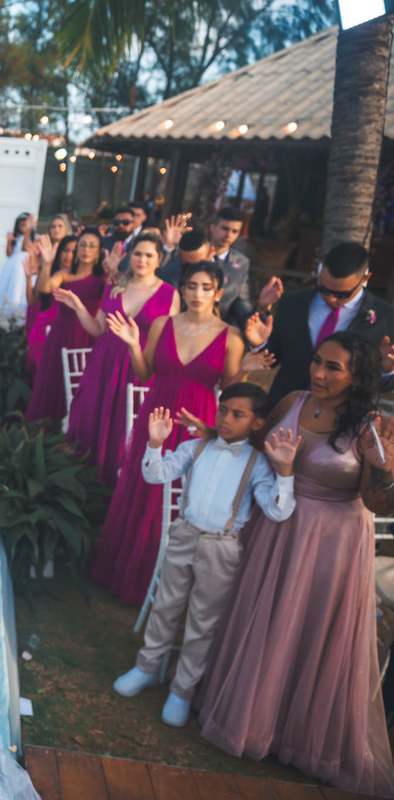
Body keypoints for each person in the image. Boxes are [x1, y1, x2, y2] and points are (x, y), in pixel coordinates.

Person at [199, 333, 394, 796]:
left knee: (307, 630)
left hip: (334, 542)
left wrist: (382, 467)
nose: (319, 373)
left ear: (357, 376)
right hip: (277, 525)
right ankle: (249, 718)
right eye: (316, 362)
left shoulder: (370, 426)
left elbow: (376, 502)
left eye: (333, 368)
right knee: (264, 621)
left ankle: (300, 736)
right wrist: (210, 432)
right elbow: (252, 445)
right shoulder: (292, 400)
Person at [112, 385, 296, 728]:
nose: (225, 419)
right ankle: (147, 667)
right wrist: (155, 444)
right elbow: (156, 474)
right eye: (222, 409)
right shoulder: (194, 447)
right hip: (184, 534)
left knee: (203, 620)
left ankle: (183, 689)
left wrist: (285, 472)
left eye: (237, 414)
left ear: (256, 423)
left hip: (222, 546)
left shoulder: (257, 465)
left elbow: (277, 511)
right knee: (165, 605)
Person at [90, 261, 255, 604]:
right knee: (141, 487)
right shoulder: (163, 324)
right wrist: (134, 344)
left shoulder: (232, 337)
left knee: (180, 497)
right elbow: (144, 372)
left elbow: (230, 393)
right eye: (191, 286)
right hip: (156, 415)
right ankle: (122, 572)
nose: (197, 293)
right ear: (183, 288)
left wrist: (246, 371)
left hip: (198, 423)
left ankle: (167, 582)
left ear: (218, 293)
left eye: (205, 287)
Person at [65, 233, 180, 483]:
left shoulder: (170, 294)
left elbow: (169, 342)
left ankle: (115, 484)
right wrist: (78, 307)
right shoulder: (115, 284)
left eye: (149, 255)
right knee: (92, 417)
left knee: (123, 427)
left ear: (159, 259)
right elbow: (97, 329)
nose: (142, 259)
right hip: (104, 362)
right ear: (130, 256)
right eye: (138, 253)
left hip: (138, 364)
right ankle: (81, 480)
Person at [246, 242, 394, 404]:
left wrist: (387, 371)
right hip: (285, 407)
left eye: (342, 294)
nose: (331, 298)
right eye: (324, 289)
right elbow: (274, 357)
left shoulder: (386, 318)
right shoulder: (293, 304)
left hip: (344, 416)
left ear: (365, 279)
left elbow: (380, 386)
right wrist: (260, 344)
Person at [24, 229, 106, 423]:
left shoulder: (102, 279)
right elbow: (44, 288)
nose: (86, 249)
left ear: (99, 250)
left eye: (92, 246)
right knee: (53, 381)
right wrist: (46, 263)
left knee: (81, 384)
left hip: (87, 335)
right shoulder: (64, 274)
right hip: (60, 334)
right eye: (83, 244)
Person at [22, 235, 75, 375]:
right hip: (42, 333)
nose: (69, 255)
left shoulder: (78, 277)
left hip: (66, 334)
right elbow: (32, 300)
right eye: (65, 250)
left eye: (73, 251)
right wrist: (28, 278)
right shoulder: (48, 272)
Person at [0, 212, 34, 315]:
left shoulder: (33, 239)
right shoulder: (15, 238)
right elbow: (9, 253)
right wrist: (8, 241)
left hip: (26, 266)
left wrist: (29, 230)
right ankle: (5, 310)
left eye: (26, 225)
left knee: (21, 288)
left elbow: (25, 247)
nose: (24, 228)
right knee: (11, 286)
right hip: (13, 267)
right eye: (22, 226)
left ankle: (20, 312)